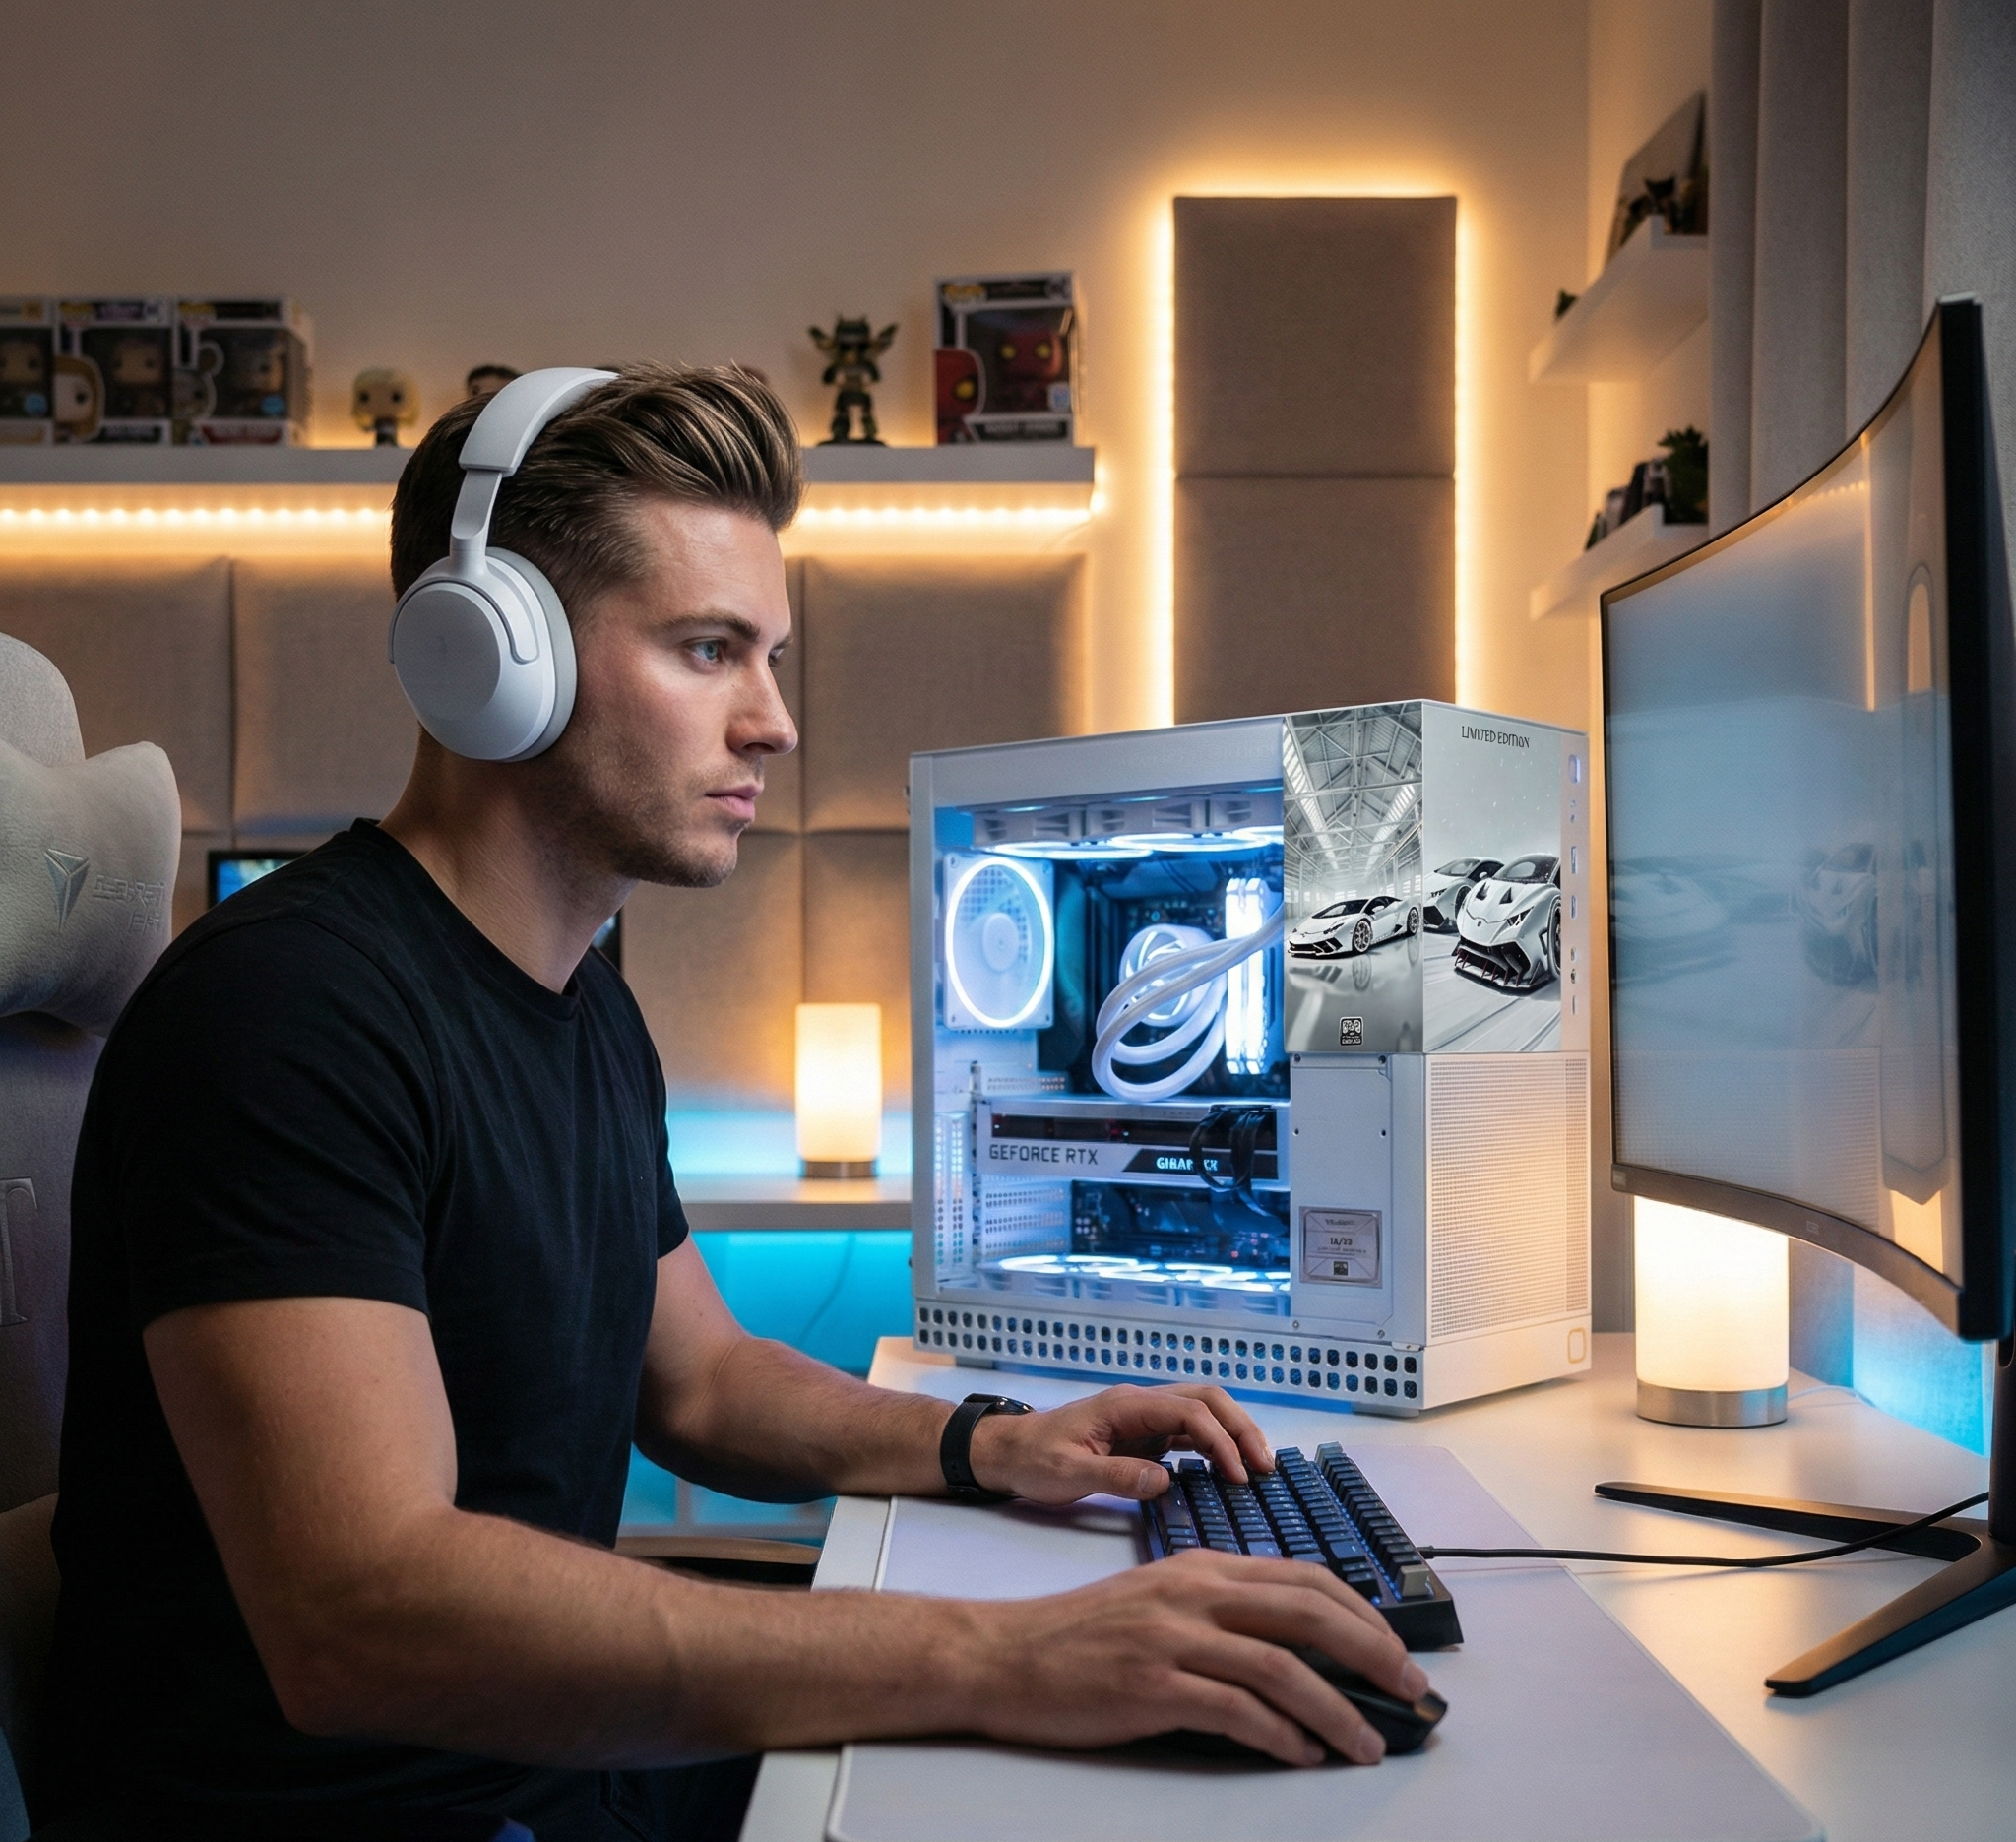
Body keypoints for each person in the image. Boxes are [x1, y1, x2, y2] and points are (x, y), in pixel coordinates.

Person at [41, 365, 1431, 1840]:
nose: (773, 721)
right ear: (491, 655)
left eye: (769, 654)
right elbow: (363, 1616)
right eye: (711, 650)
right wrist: (1002, 1650)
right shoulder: (287, 1015)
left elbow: (697, 1380)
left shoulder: (585, 1007)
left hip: (546, 1766)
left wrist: (992, 1439)